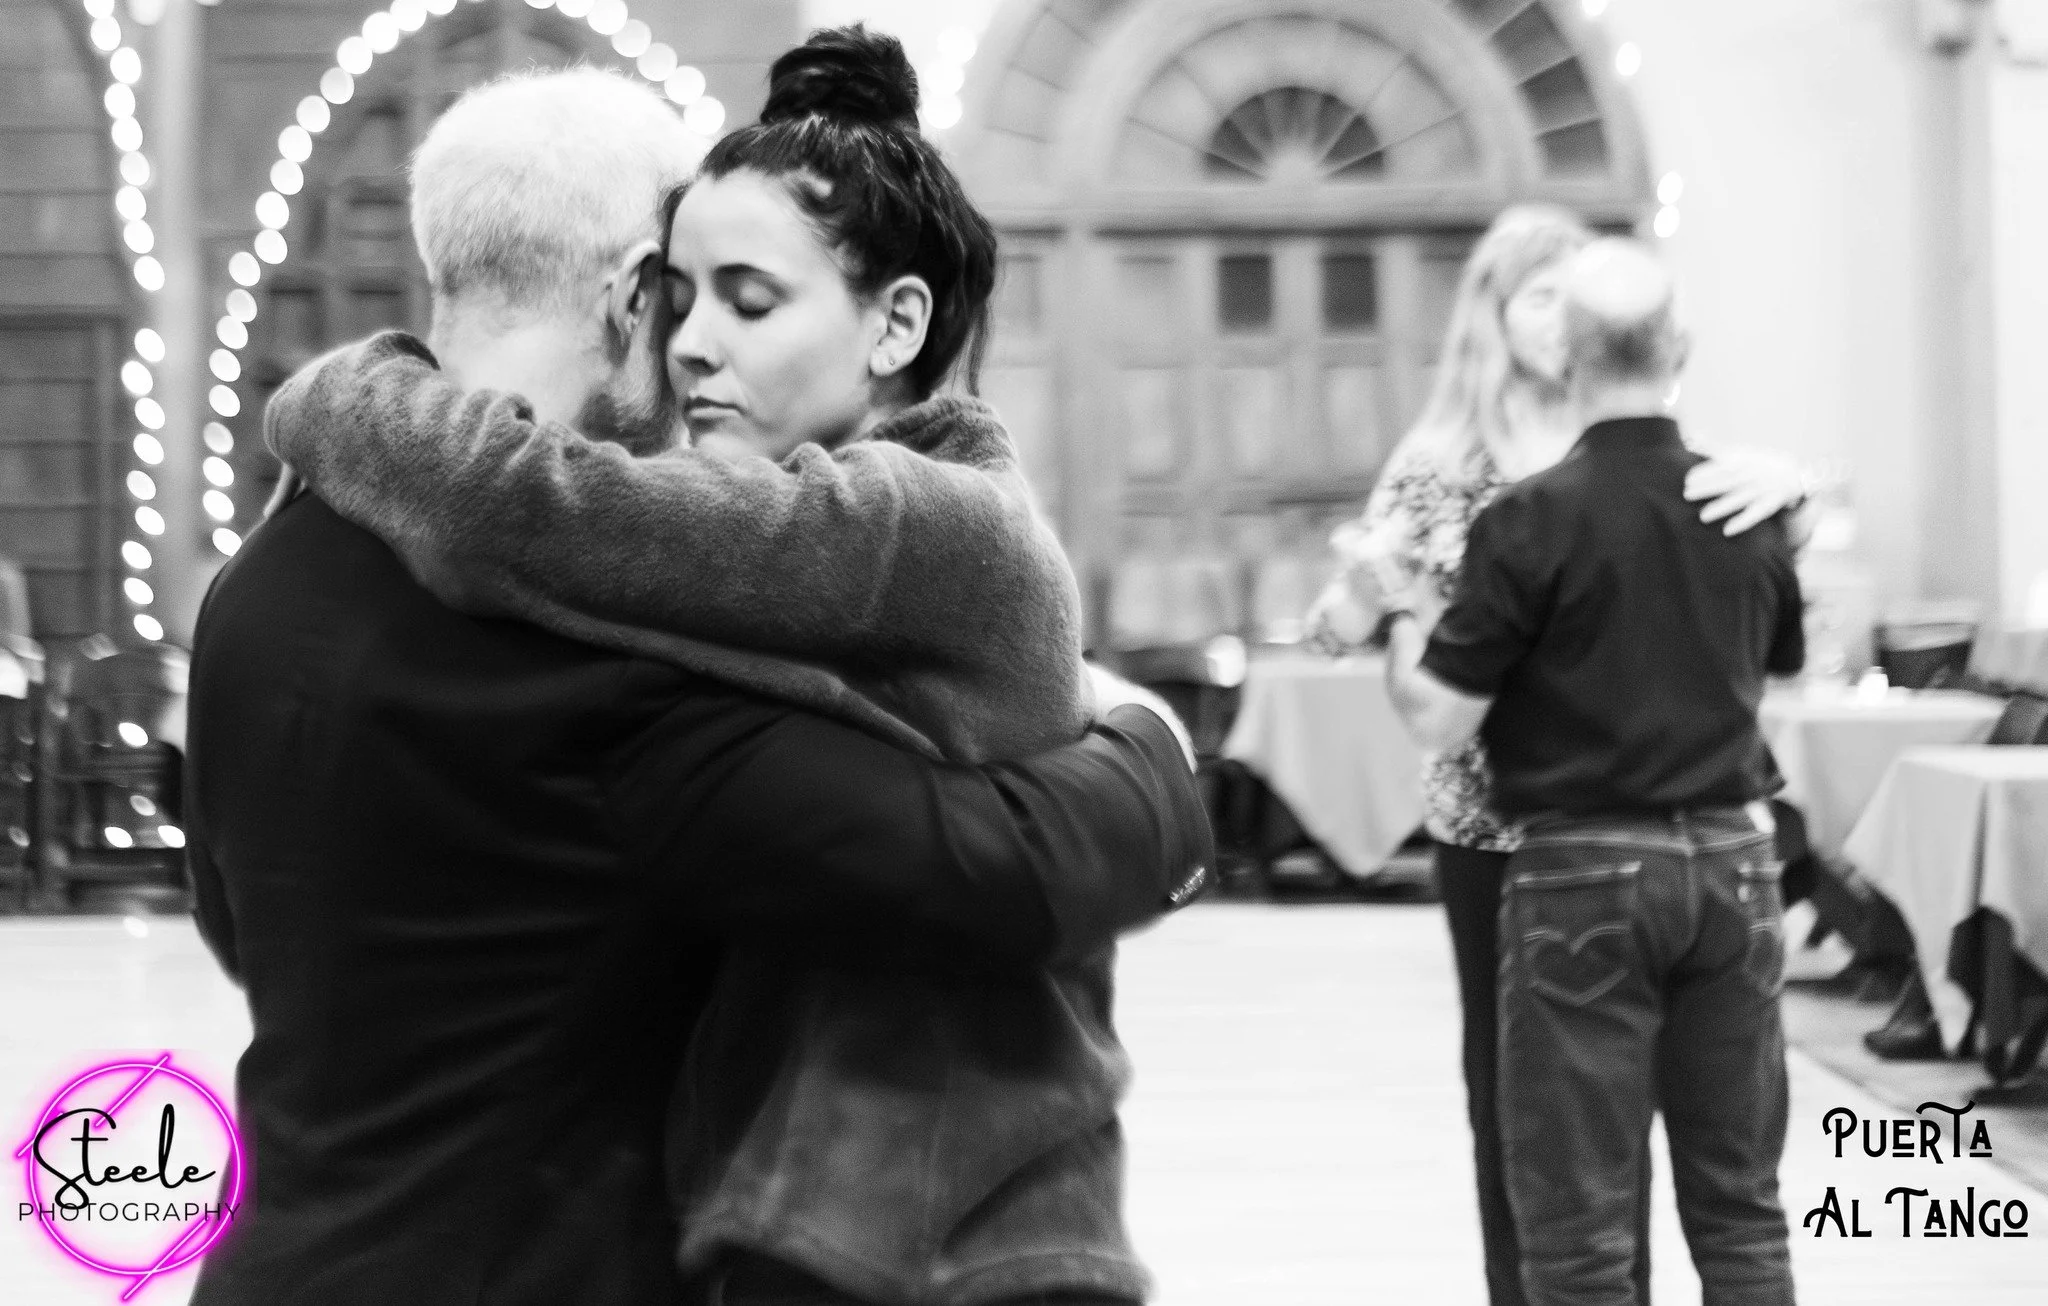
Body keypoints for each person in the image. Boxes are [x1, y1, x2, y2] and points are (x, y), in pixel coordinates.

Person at [185, 66, 1212, 1306]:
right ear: (632, 292)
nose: (688, 348)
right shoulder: (612, 641)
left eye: (742, 298)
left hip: (276, 1258)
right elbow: (985, 870)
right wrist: (1152, 755)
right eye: (678, 295)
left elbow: (233, 919)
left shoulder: (251, 587)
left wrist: (338, 391)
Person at [1306, 204, 1813, 1306]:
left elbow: (1442, 705)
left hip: (1581, 845)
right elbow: (1344, 619)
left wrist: (1792, 491)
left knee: (1596, 1192)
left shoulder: (1601, 492)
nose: (1551, 317)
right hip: (1543, 835)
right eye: (1534, 293)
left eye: (1565, 296)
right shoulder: (1449, 466)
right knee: (1569, 1153)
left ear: (1584, 342)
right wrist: (1377, 601)